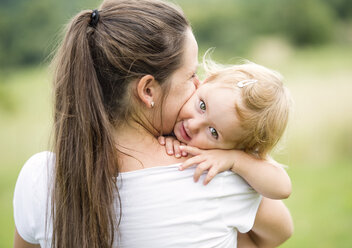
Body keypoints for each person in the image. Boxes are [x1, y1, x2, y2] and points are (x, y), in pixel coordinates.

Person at [13, 0, 292, 247]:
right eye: (191, 75)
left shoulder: (39, 177)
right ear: (148, 91)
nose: (197, 84)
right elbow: (278, 233)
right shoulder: (210, 175)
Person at [159, 60, 293, 246]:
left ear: (237, 147)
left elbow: (283, 188)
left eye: (214, 133)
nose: (193, 124)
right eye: (203, 106)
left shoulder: (235, 156)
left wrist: (235, 160)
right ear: (203, 82)